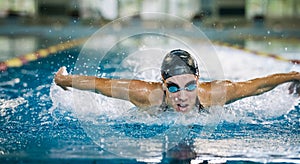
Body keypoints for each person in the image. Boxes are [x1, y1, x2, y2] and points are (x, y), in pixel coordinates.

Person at [54, 49, 300, 113]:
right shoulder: (145, 95)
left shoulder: (214, 94)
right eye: (173, 87)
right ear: (162, 83)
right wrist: (65, 80)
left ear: (198, 80)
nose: (182, 96)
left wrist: (294, 76)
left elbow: (257, 85)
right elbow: (101, 84)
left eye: (190, 86)